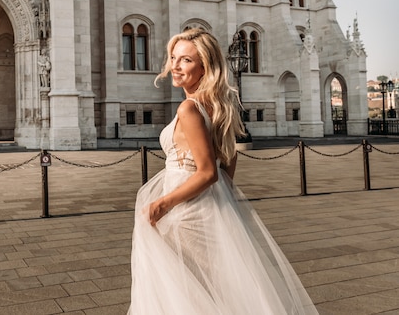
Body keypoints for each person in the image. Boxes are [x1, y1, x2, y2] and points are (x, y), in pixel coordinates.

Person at [128, 28, 318, 314]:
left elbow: (208, 173)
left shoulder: (189, 109)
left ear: (204, 66)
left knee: (183, 289)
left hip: (184, 210)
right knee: (217, 288)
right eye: (173, 58)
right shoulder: (218, 107)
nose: (176, 66)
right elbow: (227, 168)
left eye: (186, 60)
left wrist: (161, 205)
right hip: (206, 206)